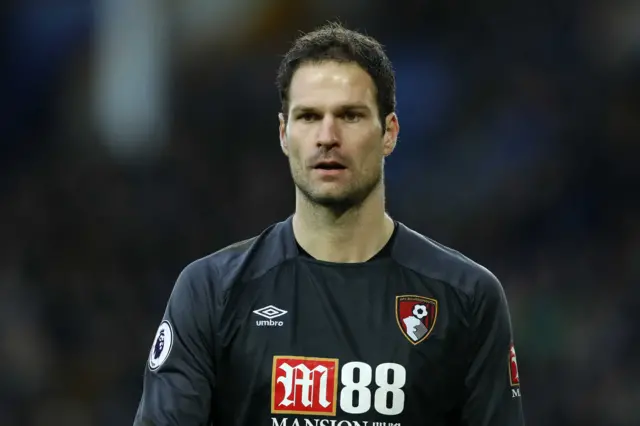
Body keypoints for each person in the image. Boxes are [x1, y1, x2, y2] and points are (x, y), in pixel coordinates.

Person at [134, 22, 526, 426]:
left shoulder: (466, 297)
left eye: (350, 116)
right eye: (308, 117)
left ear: (389, 132)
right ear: (285, 134)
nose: (327, 136)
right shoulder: (212, 292)